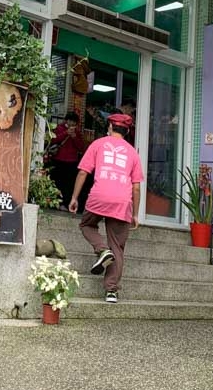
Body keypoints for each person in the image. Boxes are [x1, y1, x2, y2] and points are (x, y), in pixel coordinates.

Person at [68, 113, 143, 304]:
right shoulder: (133, 153)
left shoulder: (98, 144)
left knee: (86, 224)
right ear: (126, 131)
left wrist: (75, 198)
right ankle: (111, 291)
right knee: (117, 247)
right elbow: (136, 186)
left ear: (110, 127)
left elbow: (83, 172)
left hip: (99, 196)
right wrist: (135, 213)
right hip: (122, 201)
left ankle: (102, 250)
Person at [49, 112, 87, 210]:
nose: (72, 124)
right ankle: (55, 202)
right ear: (66, 120)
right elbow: (52, 140)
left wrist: (74, 137)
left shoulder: (77, 133)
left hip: (71, 161)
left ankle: (66, 203)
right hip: (58, 159)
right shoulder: (59, 128)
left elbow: (81, 147)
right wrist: (66, 133)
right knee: (57, 182)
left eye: (74, 122)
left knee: (68, 184)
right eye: (70, 121)